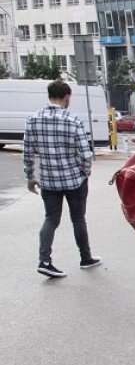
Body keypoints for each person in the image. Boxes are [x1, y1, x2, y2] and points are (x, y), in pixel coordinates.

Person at [23, 79, 99, 278]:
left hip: (48, 182)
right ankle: (85, 258)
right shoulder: (72, 120)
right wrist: (85, 172)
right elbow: (85, 154)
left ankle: (45, 261)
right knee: (78, 219)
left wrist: (30, 177)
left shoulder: (33, 119)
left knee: (50, 219)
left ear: (50, 96)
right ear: (66, 97)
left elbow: (27, 153)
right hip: (74, 180)